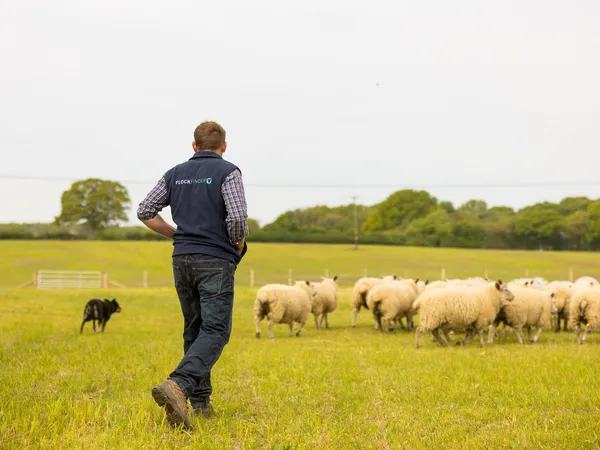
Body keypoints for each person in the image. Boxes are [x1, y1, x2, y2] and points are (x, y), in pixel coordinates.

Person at [137, 121, 248, 429]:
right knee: (216, 330)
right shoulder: (229, 172)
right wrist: (237, 244)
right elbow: (237, 217)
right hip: (215, 259)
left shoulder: (174, 173)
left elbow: (146, 210)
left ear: (194, 145)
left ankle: (198, 403)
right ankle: (179, 385)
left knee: (195, 329)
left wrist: (175, 234)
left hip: (182, 258)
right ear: (224, 146)